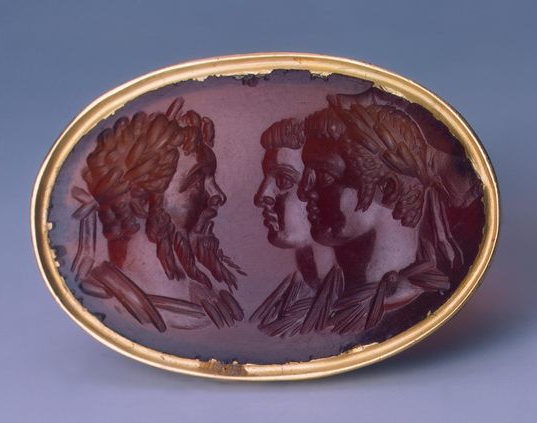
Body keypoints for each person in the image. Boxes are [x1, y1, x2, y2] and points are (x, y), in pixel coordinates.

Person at [296, 89, 482, 334]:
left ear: (387, 189)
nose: (303, 192)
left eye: (324, 175)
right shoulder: (309, 299)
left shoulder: (421, 298)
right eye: (306, 175)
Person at [71, 98, 245, 332]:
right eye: (197, 182)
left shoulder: (205, 296)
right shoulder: (117, 302)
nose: (218, 195)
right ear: (142, 200)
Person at [250, 118, 341, 337]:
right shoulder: (282, 298)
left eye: (284, 180)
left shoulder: (348, 302)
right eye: (265, 179)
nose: (262, 196)